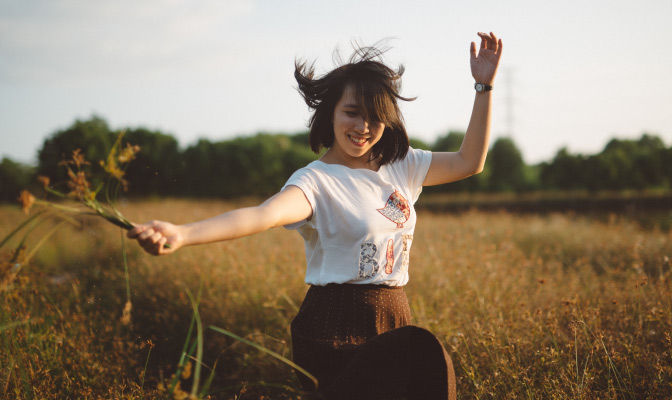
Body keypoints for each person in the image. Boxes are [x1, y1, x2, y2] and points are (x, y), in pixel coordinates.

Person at [129, 32, 502, 399]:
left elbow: (470, 161)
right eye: (352, 113)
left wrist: (483, 88)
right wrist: (182, 233)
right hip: (333, 324)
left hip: (393, 315)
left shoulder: (402, 165)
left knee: (428, 365)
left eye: (374, 117)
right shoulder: (316, 181)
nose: (362, 127)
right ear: (331, 113)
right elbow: (262, 216)